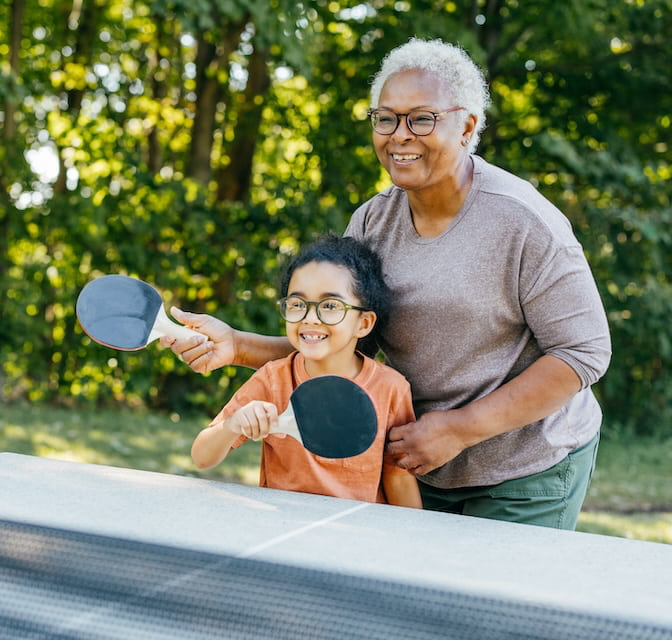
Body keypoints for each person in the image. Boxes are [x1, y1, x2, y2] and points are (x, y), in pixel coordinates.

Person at [164, 38, 611, 529]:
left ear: (466, 126)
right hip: (412, 461)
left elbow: (582, 353)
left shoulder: (525, 223)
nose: (400, 135)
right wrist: (237, 345)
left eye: (421, 119)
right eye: (386, 118)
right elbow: (347, 339)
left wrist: (460, 430)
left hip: (524, 467)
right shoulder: (373, 222)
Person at [190, 234, 422, 508]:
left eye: (331, 306)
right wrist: (233, 425)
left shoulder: (391, 389)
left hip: (358, 537)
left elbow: (398, 476)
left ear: (364, 323)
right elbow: (202, 457)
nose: (310, 318)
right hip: (282, 525)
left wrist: (414, 542)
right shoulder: (272, 380)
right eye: (298, 304)